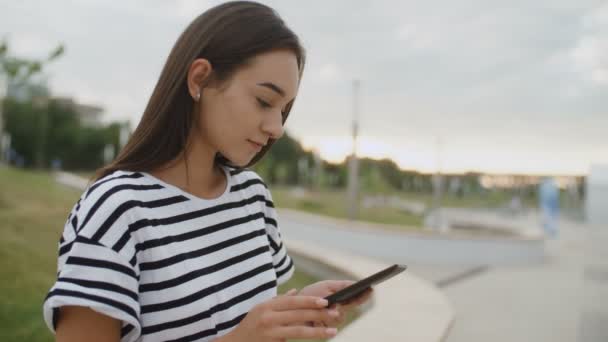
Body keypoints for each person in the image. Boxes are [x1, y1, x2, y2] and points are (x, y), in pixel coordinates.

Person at [42, 2, 371, 341]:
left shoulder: (252, 196)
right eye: (264, 101)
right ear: (200, 78)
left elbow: (243, 319)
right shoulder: (117, 208)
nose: (277, 128)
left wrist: (298, 308)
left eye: (284, 110)